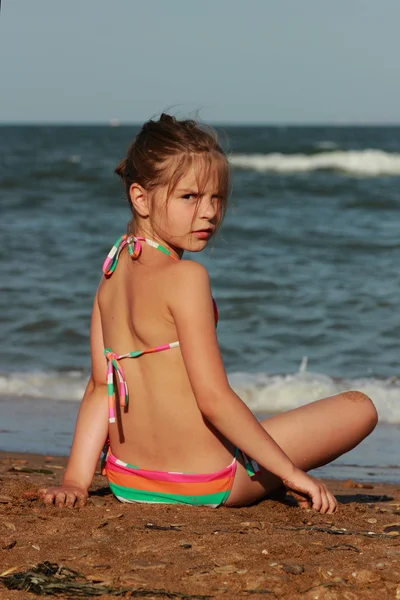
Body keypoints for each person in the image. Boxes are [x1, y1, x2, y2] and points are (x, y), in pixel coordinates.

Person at [40, 114, 378, 513]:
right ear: (141, 198)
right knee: (360, 407)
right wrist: (290, 474)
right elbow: (213, 398)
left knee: (259, 430)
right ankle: (265, 472)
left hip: (129, 480)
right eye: (190, 197)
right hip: (206, 484)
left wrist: (75, 481)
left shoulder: (110, 274)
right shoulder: (187, 277)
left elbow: (101, 387)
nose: (209, 213)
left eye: (216, 198)